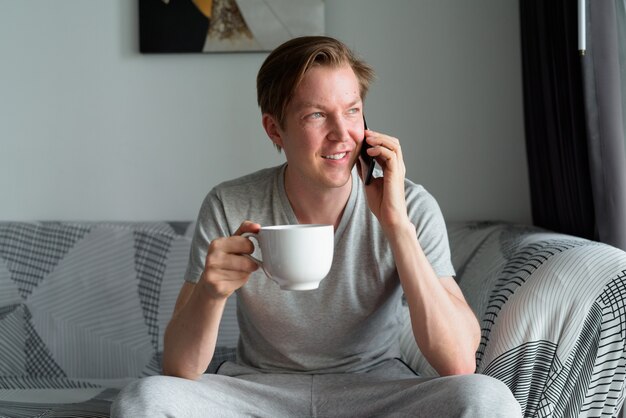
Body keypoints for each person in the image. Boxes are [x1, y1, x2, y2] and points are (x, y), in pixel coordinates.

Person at [112, 36, 521, 417]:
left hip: (374, 391)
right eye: (316, 115)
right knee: (142, 399)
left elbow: (458, 362)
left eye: (352, 111)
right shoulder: (230, 203)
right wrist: (209, 292)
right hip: (257, 392)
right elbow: (179, 369)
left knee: (487, 398)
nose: (342, 135)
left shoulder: (409, 204)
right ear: (275, 129)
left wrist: (397, 225)